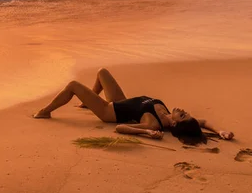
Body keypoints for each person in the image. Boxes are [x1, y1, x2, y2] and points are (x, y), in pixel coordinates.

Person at [33, 68, 234, 144]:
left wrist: (146, 134)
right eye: (185, 113)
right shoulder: (171, 117)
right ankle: (87, 103)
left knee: (73, 86)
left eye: (182, 115)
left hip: (108, 111)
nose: (182, 110)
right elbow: (204, 121)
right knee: (102, 73)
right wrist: (221, 131)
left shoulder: (153, 125)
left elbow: (120, 128)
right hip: (122, 101)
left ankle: (44, 113)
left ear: (174, 125)